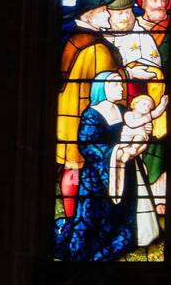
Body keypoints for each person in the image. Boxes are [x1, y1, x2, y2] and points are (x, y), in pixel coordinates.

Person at [55, 72, 160, 260]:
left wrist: (144, 131)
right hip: (97, 176)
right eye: (116, 84)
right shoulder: (92, 114)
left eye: (121, 83)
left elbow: (132, 131)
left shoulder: (122, 111)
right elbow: (87, 145)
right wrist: (117, 153)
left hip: (125, 172)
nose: (121, 87)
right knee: (89, 231)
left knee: (124, 228)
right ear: (102, 88)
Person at [56, 0, 123, 216]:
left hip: (68, 115)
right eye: (104, 11)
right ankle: (74, 218)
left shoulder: (74, 39)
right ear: (89, 16)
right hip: (85, 117)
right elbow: (108, 84)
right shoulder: (96, 48)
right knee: (77, 170)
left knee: (71, 168)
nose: (109, 16)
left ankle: (71, 216)